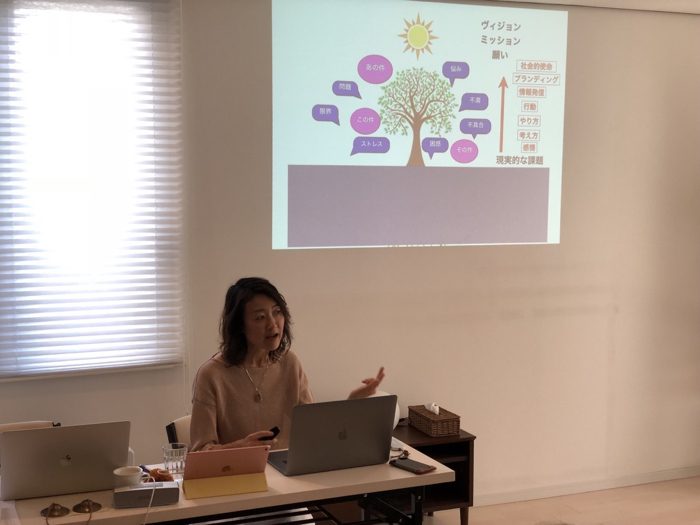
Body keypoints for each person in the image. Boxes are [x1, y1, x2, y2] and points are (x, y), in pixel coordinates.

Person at [190, 277, 385, 452]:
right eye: (260, 317)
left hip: (287, 474)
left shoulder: (290, 363)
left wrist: (352, 403)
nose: (273, 324)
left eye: (277, 312)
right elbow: (199, 452)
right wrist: (239, 448)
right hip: (239, 476)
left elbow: (315, 430)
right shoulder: (212, 374)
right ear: (239, 325)